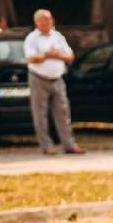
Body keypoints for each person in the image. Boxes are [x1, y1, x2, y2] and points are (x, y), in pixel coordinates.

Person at [23, 9, 82, 155]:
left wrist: (55, 55)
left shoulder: (58, 36)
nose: (49, 22)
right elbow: (31, 58)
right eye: (45, 19)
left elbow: (69, 56)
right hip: (39, 78)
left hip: (57, 78)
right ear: (37, 22)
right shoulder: (32, 38)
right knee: (40, 114)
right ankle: (46, 146)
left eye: (50, 19)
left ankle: (69, 144)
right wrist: (47, 55)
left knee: (63, 112)